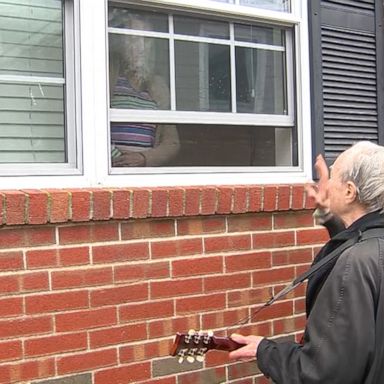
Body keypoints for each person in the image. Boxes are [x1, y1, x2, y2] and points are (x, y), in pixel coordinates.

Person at [229, 141, 384, 383]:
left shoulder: (353, 264)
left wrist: (265, 352)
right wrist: (327, 212)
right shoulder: (369, 246)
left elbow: (321, 373)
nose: (327, 183)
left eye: (333, 176)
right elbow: (358, 238)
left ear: (350, 192)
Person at [109, 11, 179, 167]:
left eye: (146, 41)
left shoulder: (158, 87)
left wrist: (144, 158)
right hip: (110, 172)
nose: (140, 48)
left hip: (142, 174)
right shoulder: (109, 77)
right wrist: (117, 159)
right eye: (133, 40)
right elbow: (91, 125)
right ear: (121, 43)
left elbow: (172, 142)